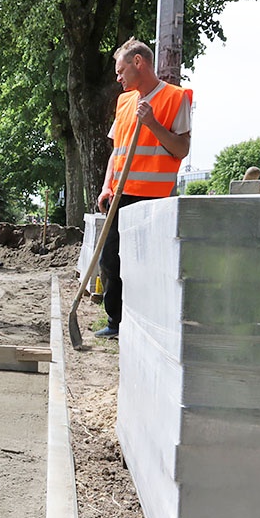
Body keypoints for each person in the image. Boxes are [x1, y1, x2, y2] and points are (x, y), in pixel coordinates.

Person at [95, 37, 192, 339]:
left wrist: (152, 123)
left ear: (139, 63)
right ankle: (116, 322)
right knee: (110, 258)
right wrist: (106, 186)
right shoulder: (124, 101)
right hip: (120, 194)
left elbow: (182, 148)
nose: (118, 77)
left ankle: (147, 322)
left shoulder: (176, 98)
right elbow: (117, 150)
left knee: (146, 265)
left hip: (153, 198)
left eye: (121, 70)